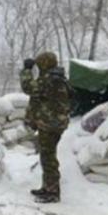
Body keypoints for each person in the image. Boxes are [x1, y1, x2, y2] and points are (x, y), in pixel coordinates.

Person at [20, 52, 71, 204]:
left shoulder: (49, 80)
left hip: (50, 125)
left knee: (48, 158)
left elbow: (28, 87)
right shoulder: (58, 78)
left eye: (39, 63)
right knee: (47, 156)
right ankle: (48, 187)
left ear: (44, 64)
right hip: (54, 124)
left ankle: (52, 192)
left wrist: (27, 70)